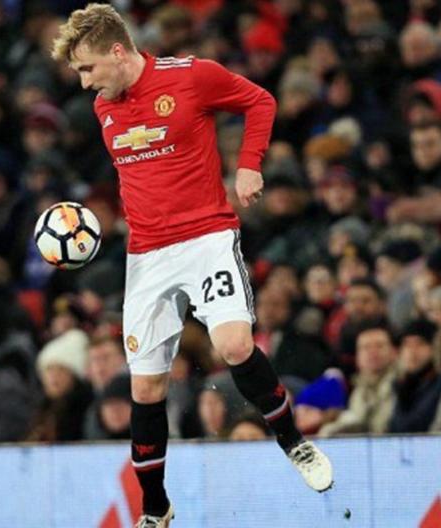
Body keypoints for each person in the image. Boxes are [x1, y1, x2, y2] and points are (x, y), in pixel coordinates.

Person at [51, 5, 333, 525]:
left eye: (88, 68)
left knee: (234, 345)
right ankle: (155, 508)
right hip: (147, 255)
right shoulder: (104, 107)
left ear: (118, 51)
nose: (85, 82)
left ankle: (294, 443)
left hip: (206, 238)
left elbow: (260, 101)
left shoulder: (192, 76)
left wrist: (248, 166)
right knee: (144, 388)